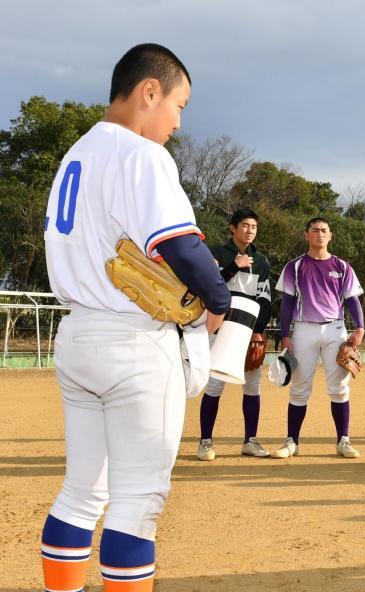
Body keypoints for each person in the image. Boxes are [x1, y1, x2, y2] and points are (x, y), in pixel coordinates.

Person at [39, 44, 231, 592]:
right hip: (134, 343)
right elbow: (184, 249)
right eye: (179, 104)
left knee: (82, 492)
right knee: (136, 503)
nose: (177, 121)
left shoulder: (74, 155)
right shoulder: (142, 155)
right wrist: (220, 304)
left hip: (76, 334)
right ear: (150, 91)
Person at [272, 217, 365, 459]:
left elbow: (352, 300)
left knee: (339, 387)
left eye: (324, 230)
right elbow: (287, 303)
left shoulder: (342, 266)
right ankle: (292, 441)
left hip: (335, 328)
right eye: (314, 230)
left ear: (330, 235)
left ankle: (343, 440)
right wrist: (284, 335)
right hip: (304, 329)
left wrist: (360, 327)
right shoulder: (294, 266)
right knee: (300, 387)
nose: (319, 234)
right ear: (306, 235)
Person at [197, 208, 273, 461]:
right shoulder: (216, 253)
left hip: (247, 329)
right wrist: (234, 266)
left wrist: (258, 332)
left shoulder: (261, 260)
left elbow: (264, 297)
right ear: (232, 227)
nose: (249, 231)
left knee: (252, 386)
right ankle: (205, 442)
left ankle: (250, 441)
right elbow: (210, 284)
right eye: (245, 226)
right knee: (215, 384)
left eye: (253, 227)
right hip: (220, 325)